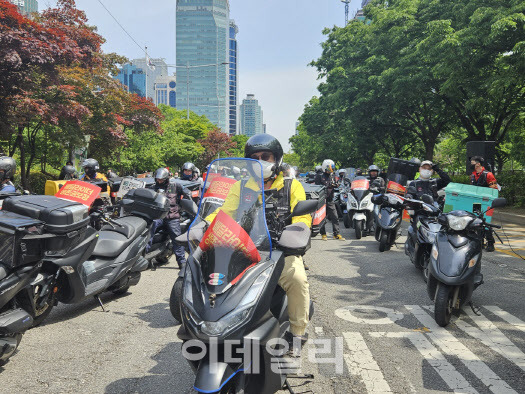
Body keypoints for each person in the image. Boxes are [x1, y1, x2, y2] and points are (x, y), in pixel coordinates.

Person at [206, 134, 311, 352]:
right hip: (245, 249)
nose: (260, 160)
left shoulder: (292, 185)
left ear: (277, 159)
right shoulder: (240, 186)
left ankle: (297, 332)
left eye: (266, 156)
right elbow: (223, 213)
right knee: (216, 281)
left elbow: (302, 216)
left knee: (297, 279)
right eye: (255, 157)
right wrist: (205, 223)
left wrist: (296, 232)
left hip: (282, 251)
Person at [147, 168, 191, 268]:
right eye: (158, 179)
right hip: (158, 216)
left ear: (167, 178)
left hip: (172, 216)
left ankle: (182, 262)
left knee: (176, 237)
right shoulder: (153, 188)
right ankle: (143, 256)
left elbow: (187, 193)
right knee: (148, 229)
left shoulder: (175, 186)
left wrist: (185, 205)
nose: (159, 181)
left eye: (161, 179)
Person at [470, 156, 498, 252]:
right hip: (476, 202)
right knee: (476, 221)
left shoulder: (488, 175)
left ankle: (490, 243)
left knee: (486, 223)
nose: (471, 164)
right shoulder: (473, 175)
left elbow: (494, 189)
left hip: (486, 202)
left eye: (472, 162)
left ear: (478, 164)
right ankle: (480, 242)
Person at [316, 159, 345, 241]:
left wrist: (336, 184)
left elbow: (335, 184)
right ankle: (323, 234)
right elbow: (317, 187)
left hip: (330, 199)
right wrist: (329, 185)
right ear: (325, 167)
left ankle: (336, 234)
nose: (331, 170)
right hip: (322, 199)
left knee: (335, 216)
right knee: (322, 218)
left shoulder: (332, 175)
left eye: (332, 168)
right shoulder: (319, 175)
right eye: (329, 169)